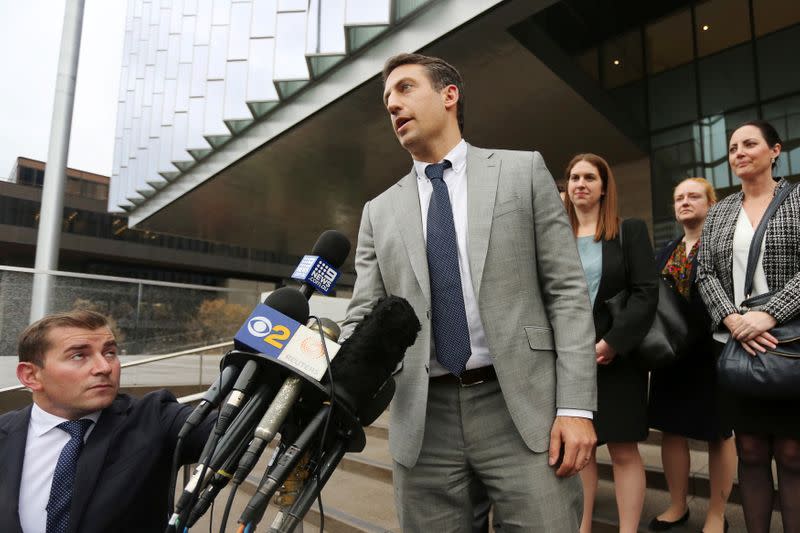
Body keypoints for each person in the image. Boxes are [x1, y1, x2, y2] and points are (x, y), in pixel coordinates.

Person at [341, 53, 597, 531]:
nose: (393, 105)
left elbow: (567, 293)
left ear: (449, 95)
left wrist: (576, 407)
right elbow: (363, 319)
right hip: (422, 421)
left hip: (522, 408)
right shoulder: (378, 211)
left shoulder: (523, 172)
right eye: (387, 99)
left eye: (404, 89)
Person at [0, 310, 215, 533]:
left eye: (110, 352)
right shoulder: (4, 433)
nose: (104, 367)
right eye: (79, 356)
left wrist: (255, 331)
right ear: (30, 376)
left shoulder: (154, 418)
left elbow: (235, 429)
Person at [696, 119, 800, 533]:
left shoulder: (797, 200)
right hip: (737, 347)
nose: (738, 152)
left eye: (749, 143)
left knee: (793, 453)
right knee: (751, 450)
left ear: (775, 150)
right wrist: (733, 318)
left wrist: (769, 313)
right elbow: (704, 274)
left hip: (790, 343)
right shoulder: (719, 211)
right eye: (733, 146)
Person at [563, 153, 657, 533]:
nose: (580, 183)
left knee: (622, 449)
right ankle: (582, 527)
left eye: (589, 177)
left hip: (616, 358)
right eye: (573, 177)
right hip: (569, 360)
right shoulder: (556, 237)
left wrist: (614, 342)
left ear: (604, 188)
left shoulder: (628, 230)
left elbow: (645, 292)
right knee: (580, 452)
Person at [647, 177, 735, 533]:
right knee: (670, 430)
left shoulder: (725, 248)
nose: (685, 201)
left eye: (694, 196)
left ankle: (716, 512)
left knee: (719, 433)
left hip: (712, 353)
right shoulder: (663, 252)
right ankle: (677, 505)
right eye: (679, 197)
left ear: (711, 204)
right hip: (671, 358)